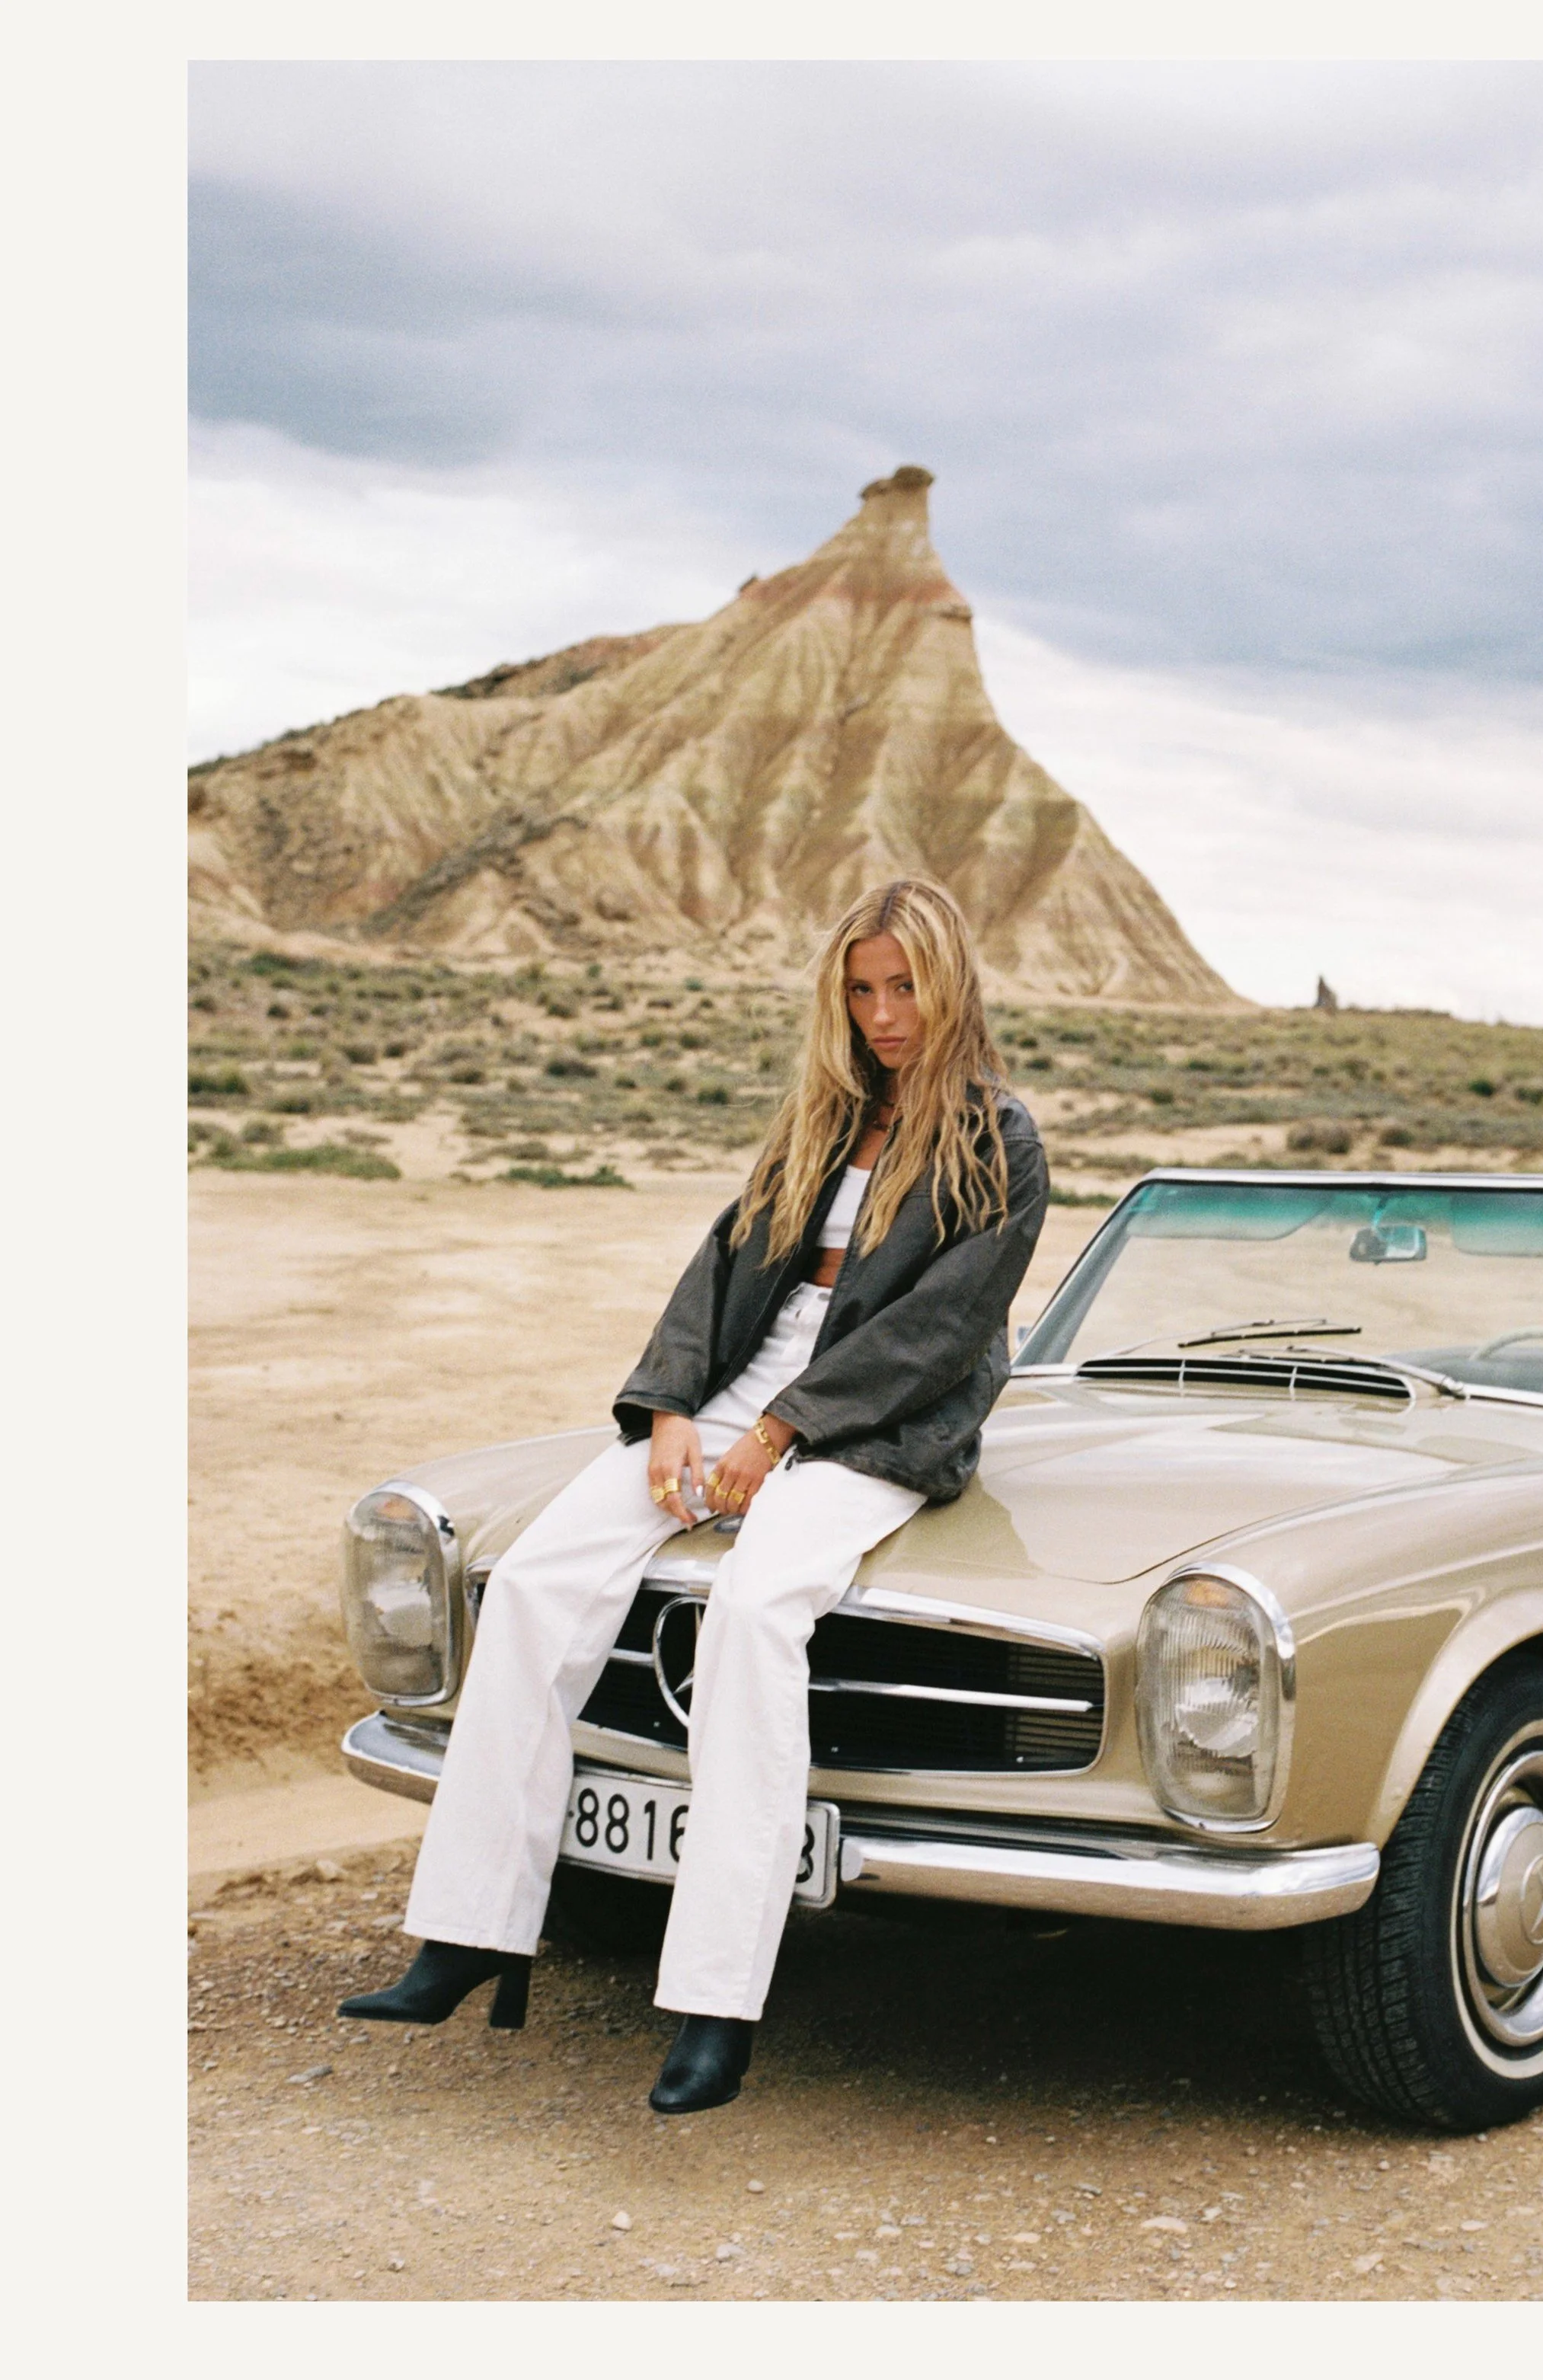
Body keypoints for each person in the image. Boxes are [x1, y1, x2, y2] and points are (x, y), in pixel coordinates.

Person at [339, 880, 1049, 2113]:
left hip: (881, 1421)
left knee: (755, 1614)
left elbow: (941, 1332)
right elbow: (717, 1270)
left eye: (906, 987)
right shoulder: (823, 1117)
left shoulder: (1002, 1139)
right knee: (535, 1584)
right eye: (863, 990)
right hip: (739, 1388)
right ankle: (470, 1932)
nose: (885, 1015)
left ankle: (717, 2002)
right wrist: (673, 1411)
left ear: (952, 985)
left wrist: (779, 1434)